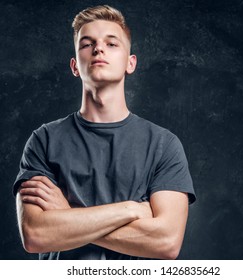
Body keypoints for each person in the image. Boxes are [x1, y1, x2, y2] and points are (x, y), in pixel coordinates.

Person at [13, 5, 196, 260]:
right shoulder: (43, 140)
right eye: (87, 44)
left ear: (130, 63)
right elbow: (35, 235)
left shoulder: (164, 145)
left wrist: (67, 215)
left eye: (112, 44)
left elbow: (166, 243)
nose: (99, 48)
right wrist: (131, 210)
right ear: (75, 66)